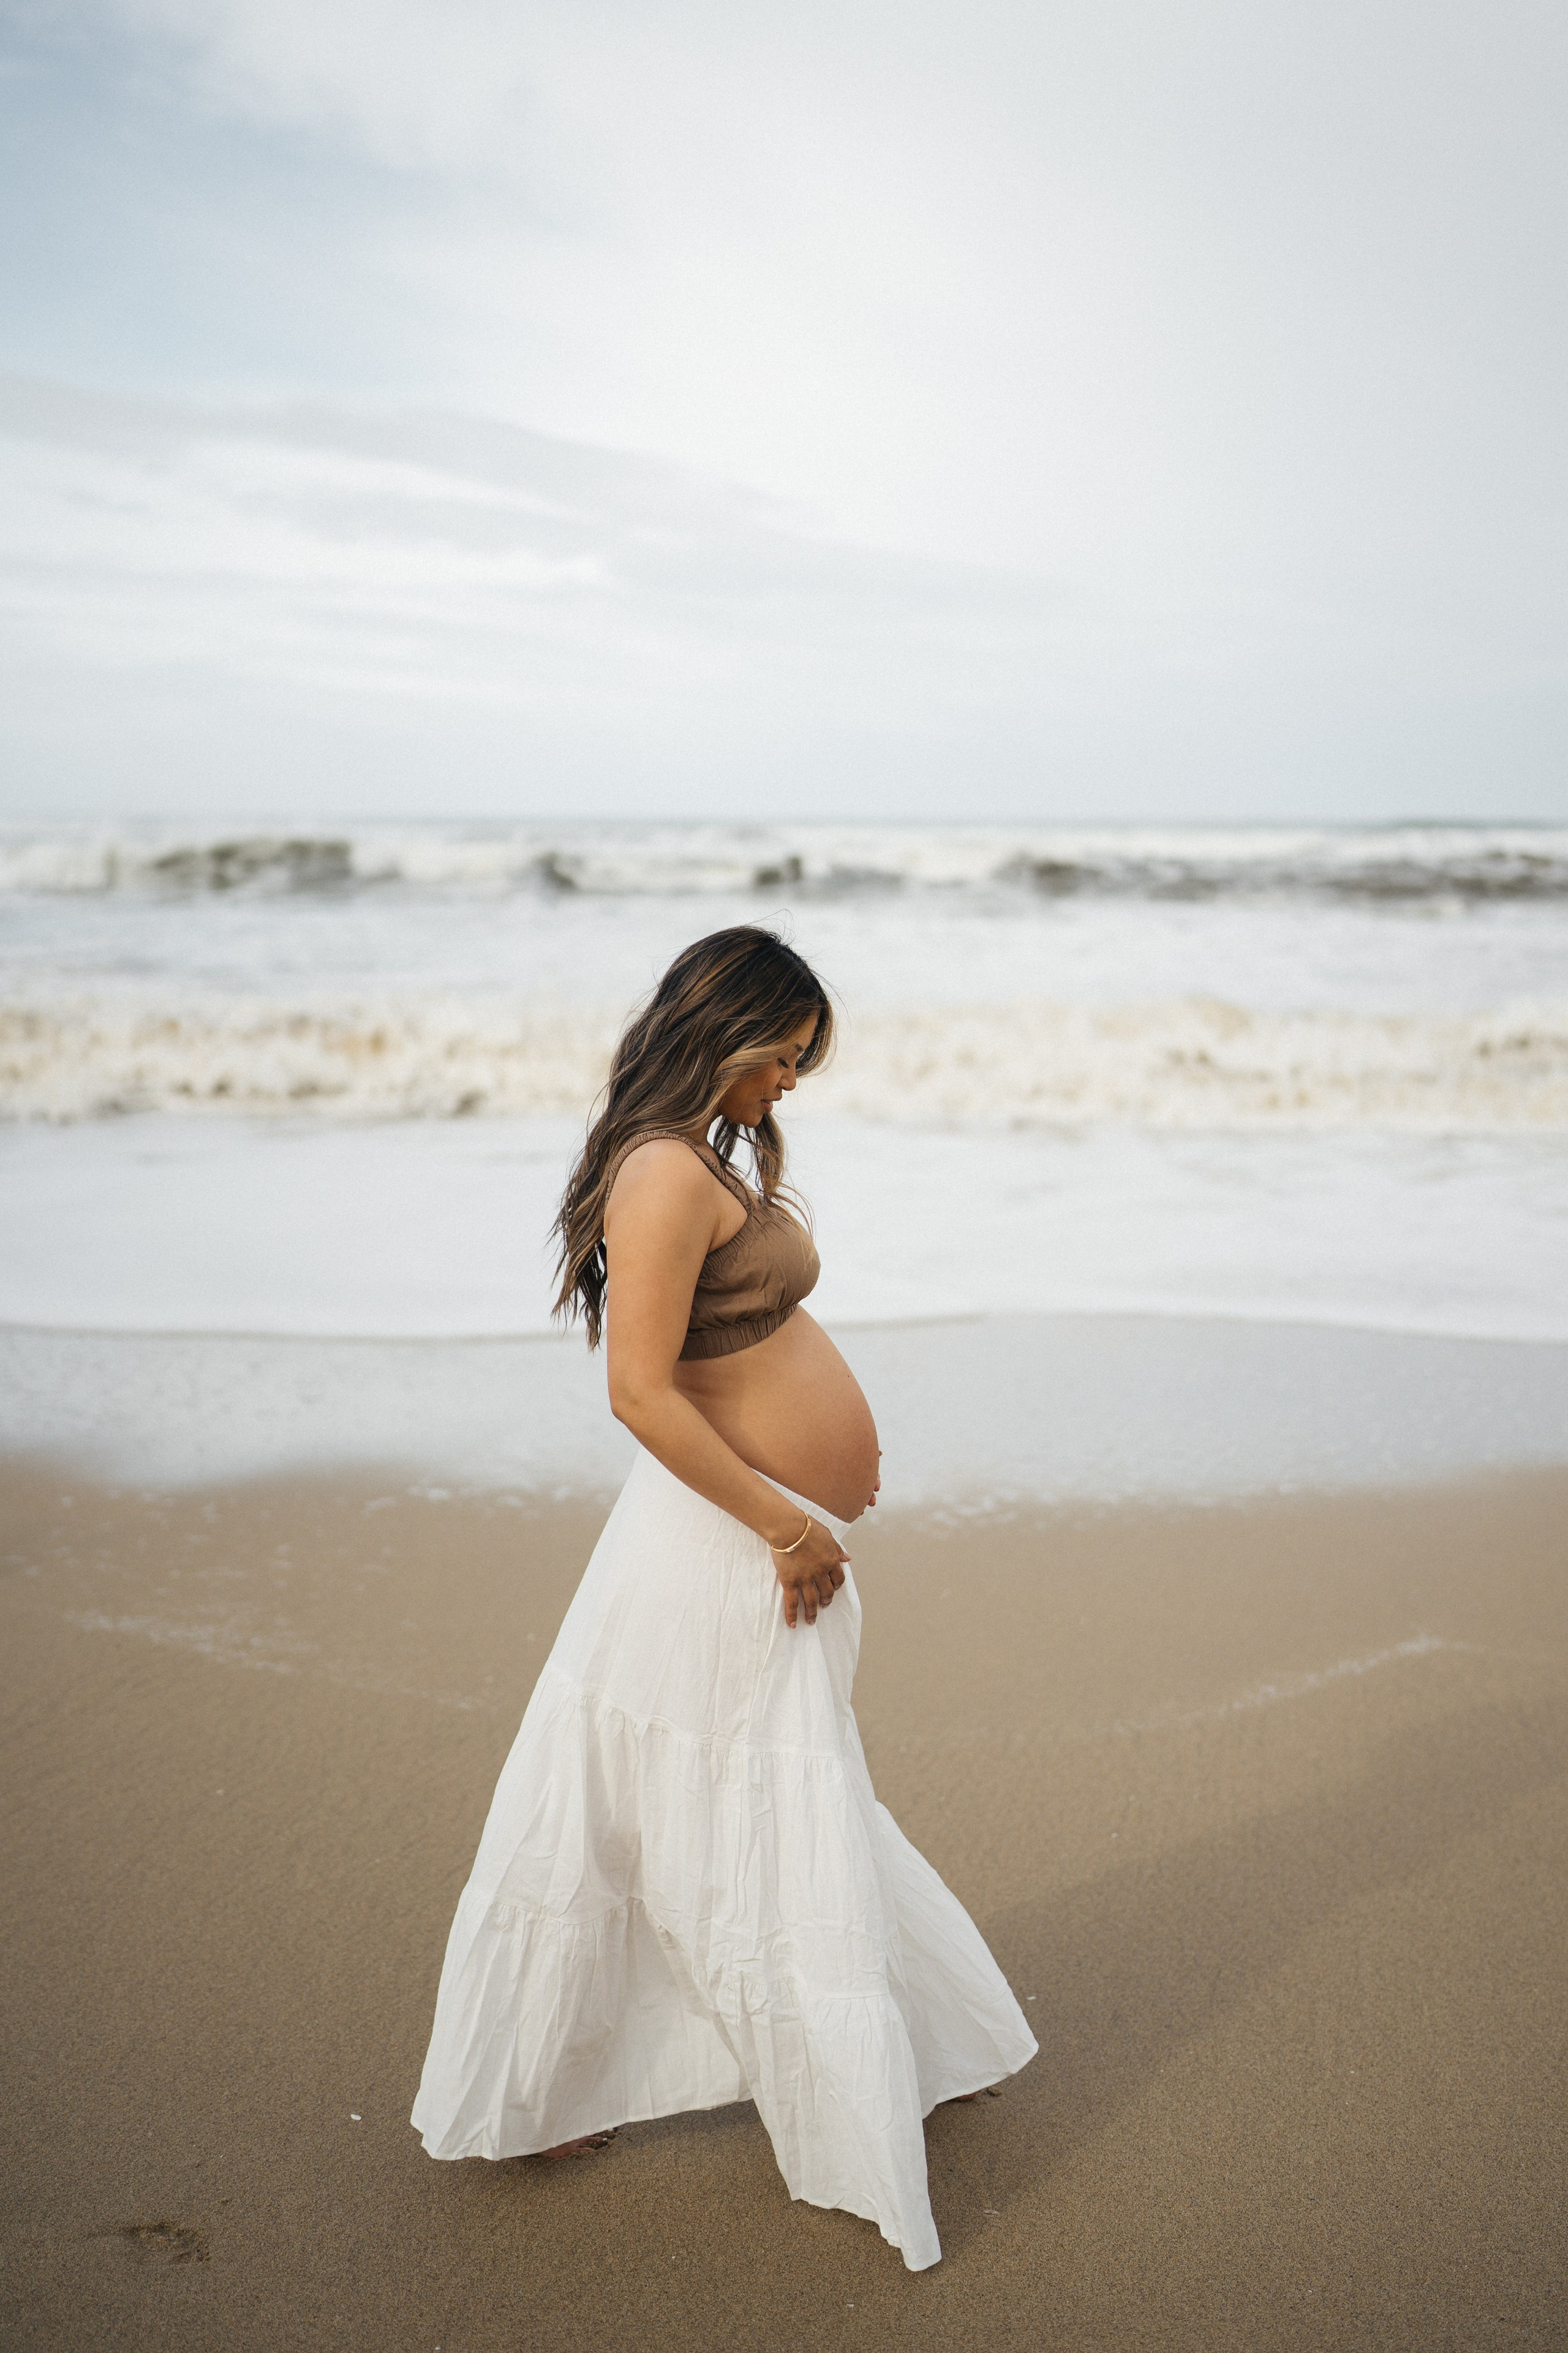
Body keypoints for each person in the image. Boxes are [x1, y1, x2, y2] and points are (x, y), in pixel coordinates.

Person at [410, 926, 1036, 2270]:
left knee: (772, 1793)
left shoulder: (695, 1160)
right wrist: (777, 1526)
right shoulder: (660, 1173)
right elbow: (637, 1390)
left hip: (734, 1529)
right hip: (715, 1536)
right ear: (724, 1029)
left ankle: (909, 2043)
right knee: (703, 1799)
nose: (794, 1083)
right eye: (785, 1055)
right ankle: (541, 2093)